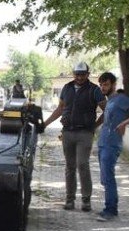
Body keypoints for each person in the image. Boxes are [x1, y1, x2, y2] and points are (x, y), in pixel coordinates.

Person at [42, 62, 105, 211]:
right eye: (77, 74)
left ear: (87, 75)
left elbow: (106, 110)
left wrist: (94, 126)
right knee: (70, 167)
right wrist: (45, 124)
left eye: (83, 74)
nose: (80, 77)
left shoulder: (94, 90)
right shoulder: (67, 88)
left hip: (85, 133)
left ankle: (86, 200)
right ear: (73, 74)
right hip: (68, 132)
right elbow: (60, 109)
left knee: (82, 164)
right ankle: (69, 199)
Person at [95, 72, 129, 221]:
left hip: (112, 144)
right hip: (103, 143)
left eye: (105, 84)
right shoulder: (109, 101)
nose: (103, 87)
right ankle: (109, 207)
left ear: (113, 84)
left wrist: (125, 122)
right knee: (105, 178)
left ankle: (110, 210)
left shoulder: (121, 99)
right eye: (101, 85)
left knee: (109, 177)